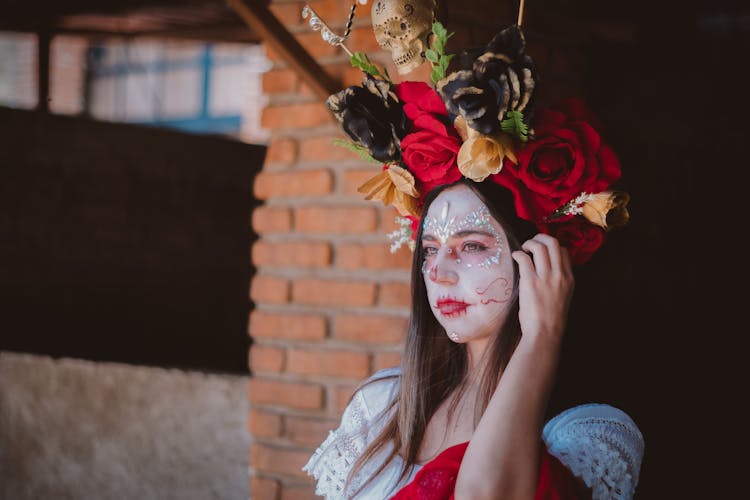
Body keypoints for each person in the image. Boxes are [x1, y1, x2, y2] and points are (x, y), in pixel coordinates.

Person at [301, 8, 644, 499]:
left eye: (473, 246)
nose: (437, 273)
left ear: (540, 260)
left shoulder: (588, 435)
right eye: (430, 250)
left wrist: (541, 338)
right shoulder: (382, 405)